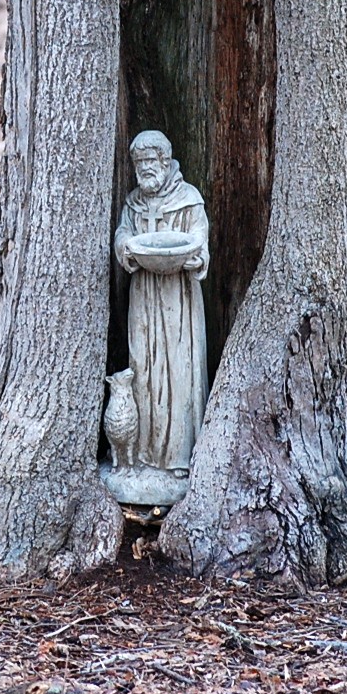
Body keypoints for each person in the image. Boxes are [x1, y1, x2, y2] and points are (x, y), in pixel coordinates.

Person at [112, 130, 208, 474]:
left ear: (165, 161)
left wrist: (196, 254)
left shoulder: (189, 198)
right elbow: (123, 234)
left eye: (149, 161)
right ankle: (144, 452)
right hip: (144, 294)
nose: (144, 169)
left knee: (178, 369)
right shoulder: (134, 202)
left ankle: (179, 456)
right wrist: (126, 248)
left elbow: (199, 236)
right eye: (139, 163)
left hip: (177, 297)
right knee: (144, 367)